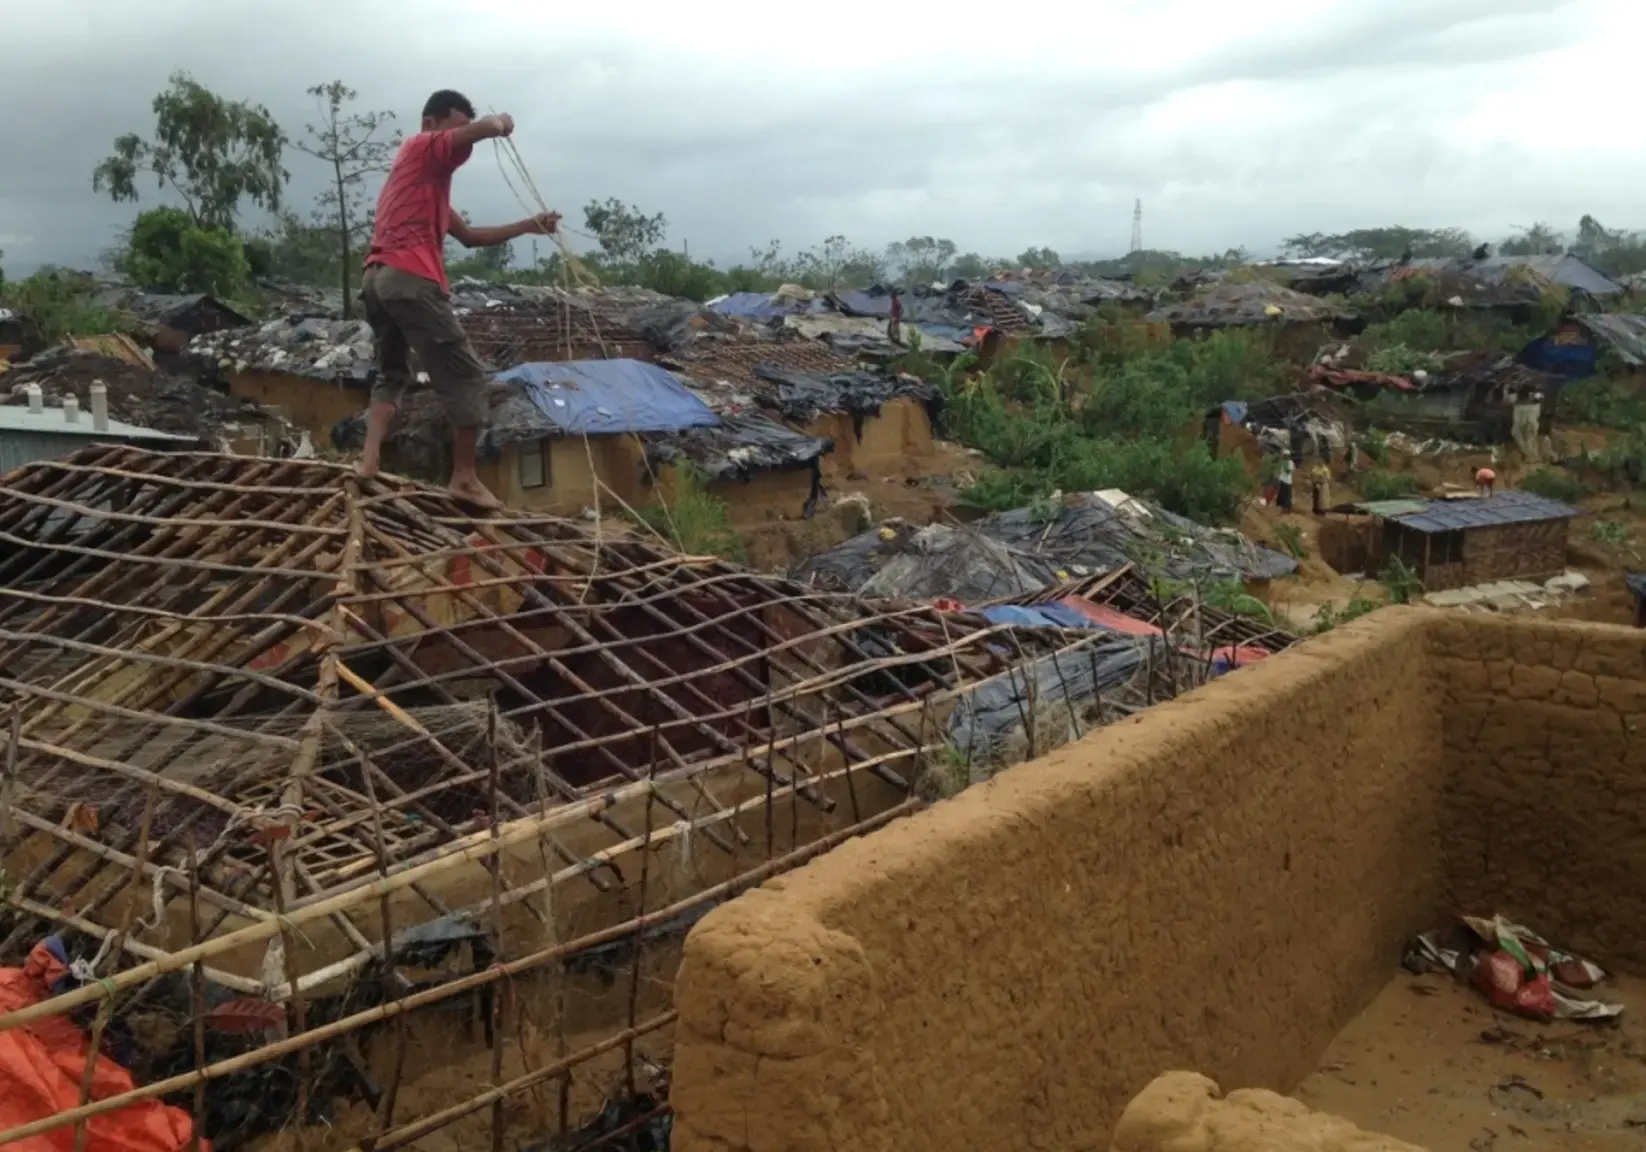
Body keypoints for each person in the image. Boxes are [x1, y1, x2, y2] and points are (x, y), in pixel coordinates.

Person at [357, 90, 561, 507]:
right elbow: (482, 130)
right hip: (411, 278)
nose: (459, 144)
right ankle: (464, 477)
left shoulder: (419, 182)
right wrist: (497, 123)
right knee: (467, 376)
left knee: (392, 373)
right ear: (430, 124)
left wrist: (527, 226)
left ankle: (368, 460)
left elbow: (469, 238)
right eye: (455, 131)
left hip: (376, 279)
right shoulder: (419, 146)